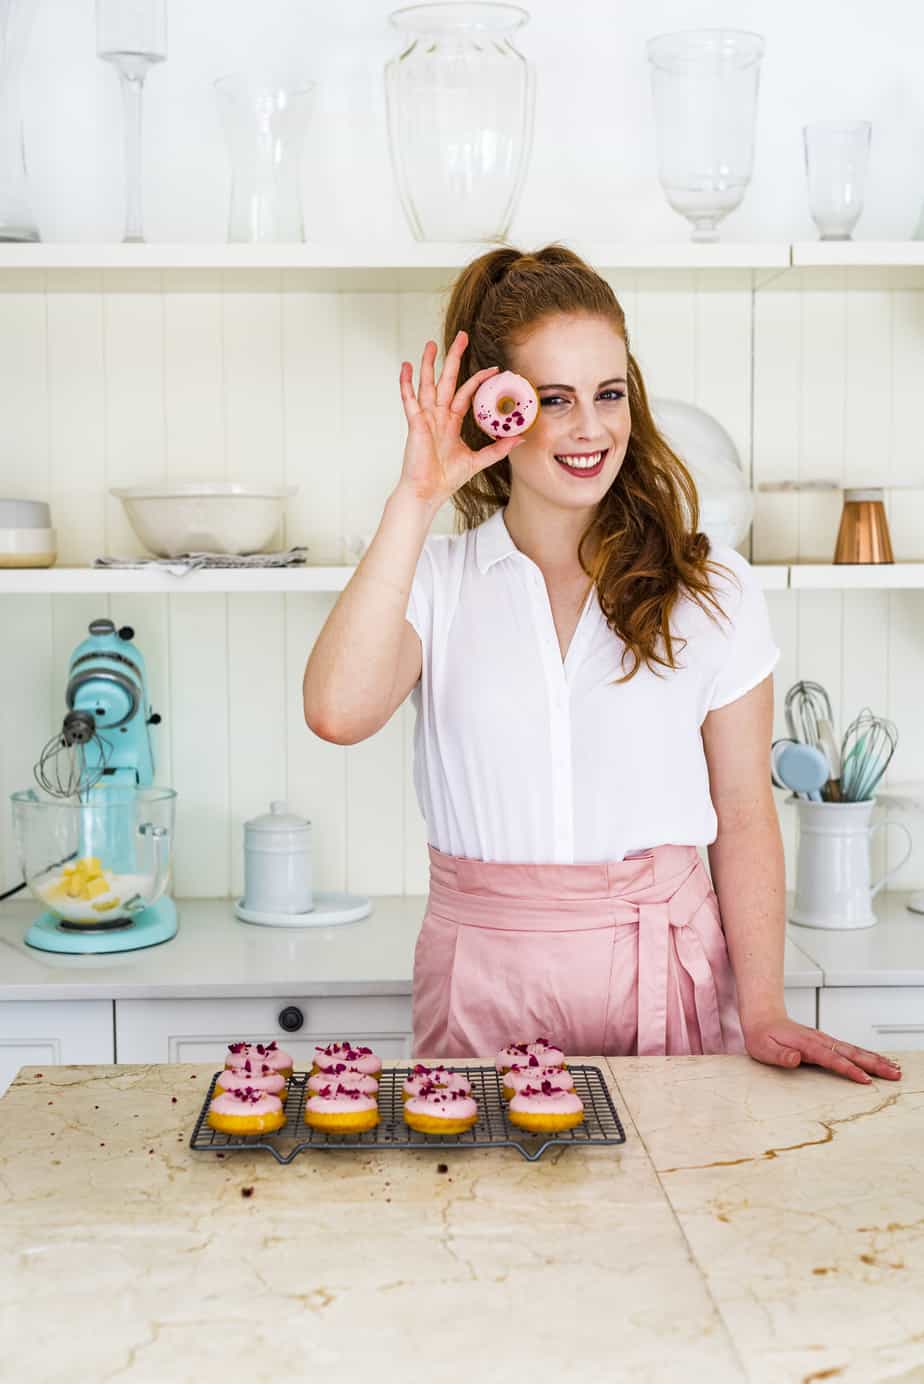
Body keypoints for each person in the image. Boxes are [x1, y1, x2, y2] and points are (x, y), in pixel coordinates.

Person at [304, 244, 901, 1087]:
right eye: (554, 400)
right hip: (483, 978)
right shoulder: (435, 583)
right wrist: (417, 495)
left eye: (609, 394)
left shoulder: (712, 584)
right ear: (496, 413)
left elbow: (742, 810)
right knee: (490, 1216)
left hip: (663, 967)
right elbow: (337, 711)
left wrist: (763, 1006)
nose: (590, 428)